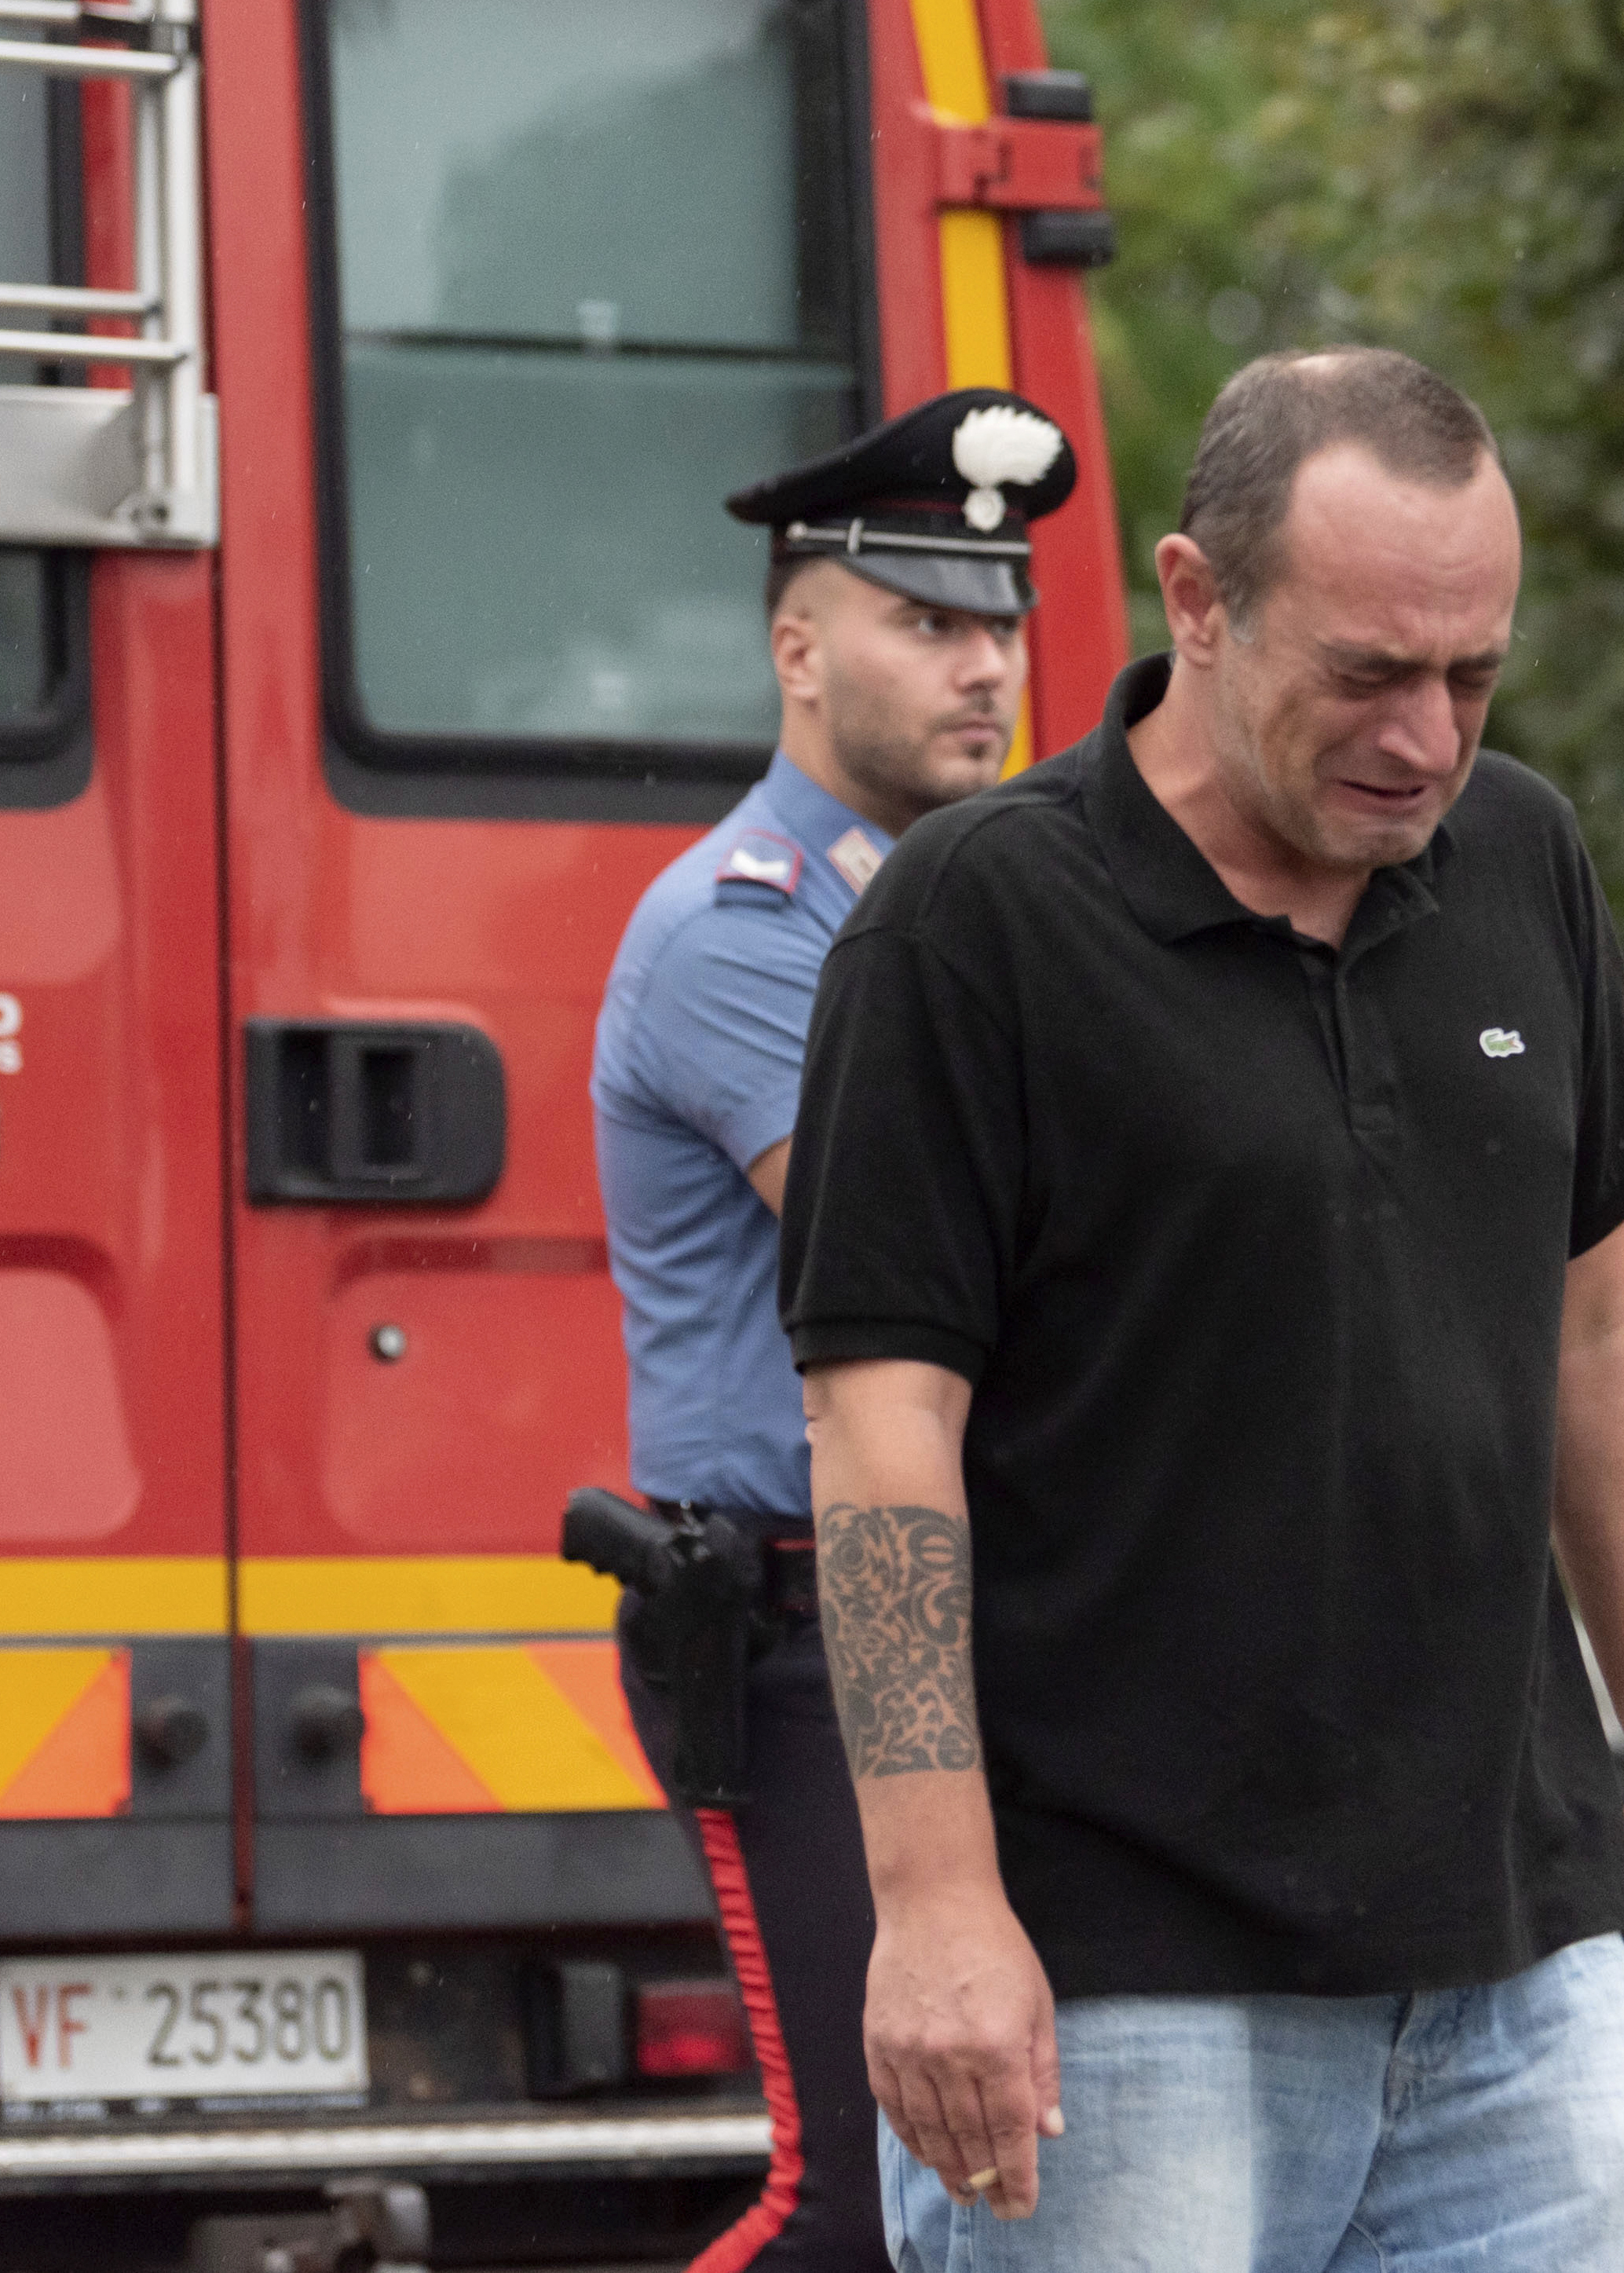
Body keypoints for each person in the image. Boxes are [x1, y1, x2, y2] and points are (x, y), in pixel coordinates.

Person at [778, 347, 1624, 2271]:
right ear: (1194, 601)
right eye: (1367, 672)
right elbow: (882, 1440)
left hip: (1519, 1963)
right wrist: (937, 1901)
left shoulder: (1521, 860)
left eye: (1471, 674)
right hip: (1119, 1994)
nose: (1426, 734)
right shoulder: (971, 926)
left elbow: (1608, 1327)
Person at [590, 386, 1077, 2273]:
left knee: (1013, 2185)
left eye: (1001, 623)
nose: (984, 667)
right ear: (798, 648)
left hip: (964, 1606)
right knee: (859, 2198)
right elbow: (966, 1266)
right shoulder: (744, 930)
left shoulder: (973, 914)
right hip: (799, 1624)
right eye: (927, 623)